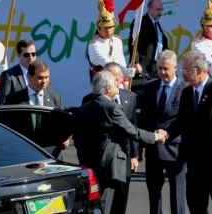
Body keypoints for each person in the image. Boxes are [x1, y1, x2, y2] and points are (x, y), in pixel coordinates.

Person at [73, 70, 168, 214]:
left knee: (92, 205)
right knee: (105, 205)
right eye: (116, 86)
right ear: (108, 88)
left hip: (89, 166)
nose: (118, 89)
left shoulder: (84, 108)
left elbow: (77, 138)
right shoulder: (112, 107)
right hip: (108, 167)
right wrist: (155, 137)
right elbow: (132, 131)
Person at [167, 51, 212, 214]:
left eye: (186, 70)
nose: (183, 73)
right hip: (194, 165)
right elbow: (181, 122)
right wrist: (165, 133)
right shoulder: (187, 93)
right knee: (196, 207)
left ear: (198, 70)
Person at [82, 62, 139, 214]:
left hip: (124, 158)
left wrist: (135, 155)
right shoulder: (89, 100)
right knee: (102, 202)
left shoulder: (130, 96)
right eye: (111, 78)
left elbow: (132, 125)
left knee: (120, 200)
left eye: (117, 78)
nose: (114, 81)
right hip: (101, 161)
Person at [139, 50, 187, 214]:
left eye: (166, 68)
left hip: (175, 149)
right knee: (153, 193)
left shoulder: (185, 89)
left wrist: (167, 134)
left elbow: (184, 120)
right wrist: (140, 148)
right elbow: (144, 118)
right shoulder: (150, 87)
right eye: (160, 68)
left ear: (175, 67)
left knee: (177, 195)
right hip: (153, 149)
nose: (162, 72)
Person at [4, 60, 68, 158]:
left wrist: (65, 139)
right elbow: (8, 129)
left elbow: (62, 125)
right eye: (40, 78)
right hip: (24, 156)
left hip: (51, 156)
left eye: (47, 77)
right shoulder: (13, 99)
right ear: (29, 77)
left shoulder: (56, 99)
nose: (45, 81)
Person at [88, 0, 135, 88]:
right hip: (103, 85)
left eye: (110, 27)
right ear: (99, 27)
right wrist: (124, 71)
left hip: (119, 84)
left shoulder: (118, 40)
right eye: (105, 27)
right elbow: (108, 64)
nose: (108, 30)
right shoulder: (94, 44)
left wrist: (126, 82)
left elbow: (122, 62)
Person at [0, 39, 44, 105]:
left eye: (33, 54)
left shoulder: (43, 74)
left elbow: (48, 98)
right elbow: (2, 104)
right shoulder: (8, 76)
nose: (30, 58)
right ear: (18, 55)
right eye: (26, 55)